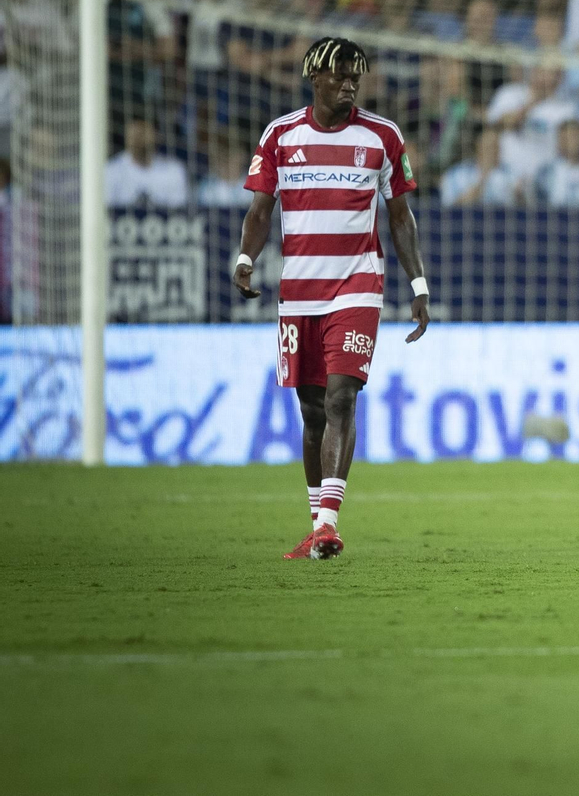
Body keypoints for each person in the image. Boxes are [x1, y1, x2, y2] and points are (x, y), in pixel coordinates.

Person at [234, 38, 431, 562]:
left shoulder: (383, 136)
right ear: (313, 78)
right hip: (299, 290)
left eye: (355, 77)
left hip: (358, 285)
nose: (349, 84)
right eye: (340, 75)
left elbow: (399, 218)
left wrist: (418, 286)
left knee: (343, 396)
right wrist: (245, 259)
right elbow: (260, 210)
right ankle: (315, 524)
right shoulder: (280, 135)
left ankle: (328, 524)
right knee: (312, 409)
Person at [105, 117, 188, 207]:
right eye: (134, 134)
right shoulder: (111, 170)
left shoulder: (173, 170)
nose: (138, 139)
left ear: (157, 135)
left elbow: (179, 211)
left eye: (142, 133)